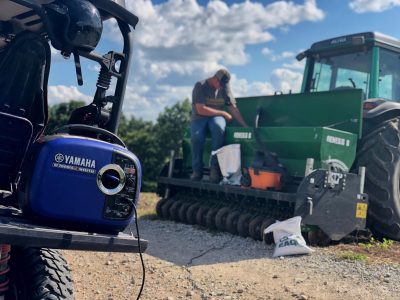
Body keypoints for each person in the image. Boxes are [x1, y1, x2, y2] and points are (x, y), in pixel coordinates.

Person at [190, 69, 248, 183]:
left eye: (224, 85)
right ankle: (197, 170)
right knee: (197, 137)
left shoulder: (224, 88)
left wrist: (245, 126)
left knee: (219, 127)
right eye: (220, 84)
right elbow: (200, 109)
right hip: (199, 117)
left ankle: (215, 168)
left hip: (215, 118)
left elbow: (233, 107)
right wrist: (223, 113)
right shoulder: (200, 86)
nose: (221, 87)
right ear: (215, 79)